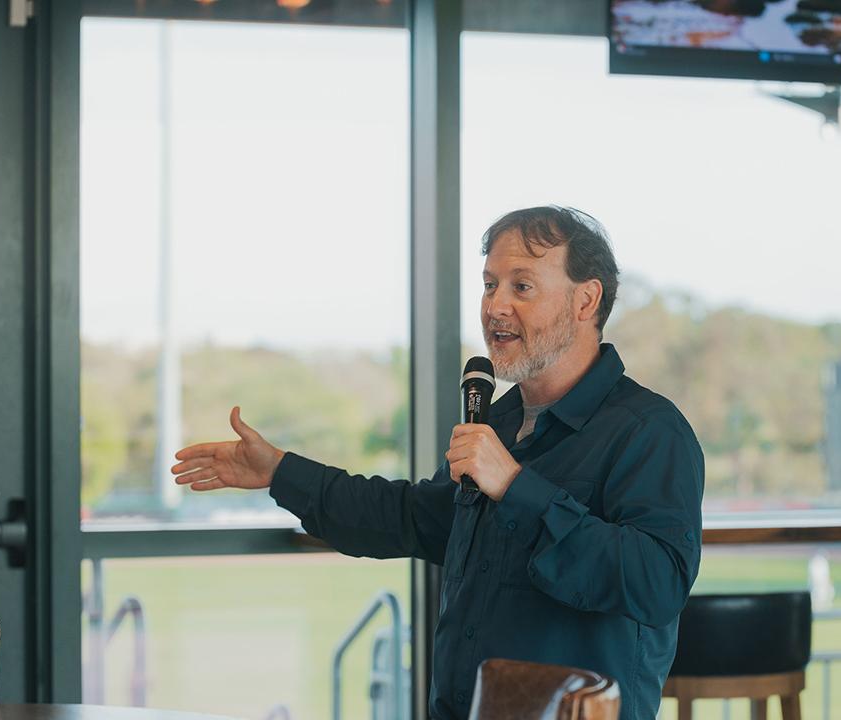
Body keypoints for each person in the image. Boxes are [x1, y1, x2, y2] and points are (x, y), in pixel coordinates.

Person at [171, 206, 705, 720]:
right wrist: (279, 471)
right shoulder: (498, 423)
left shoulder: (649, 431)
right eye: (489, 284)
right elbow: (405, 517)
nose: (495, 307)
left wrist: (515, 486)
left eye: (521, 286)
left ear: (586, 300)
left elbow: (657, 584)